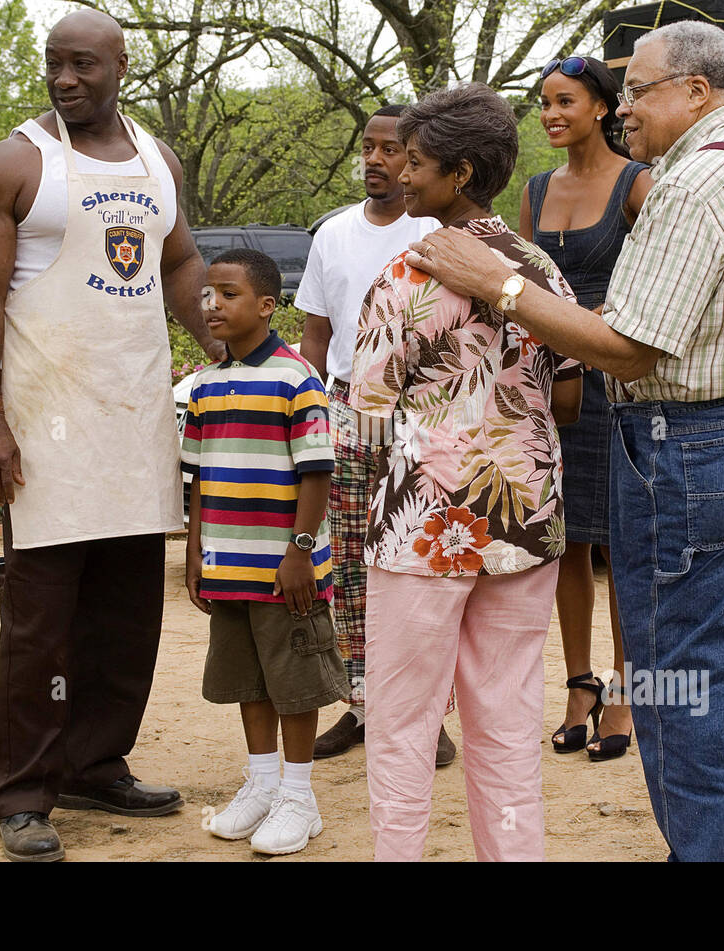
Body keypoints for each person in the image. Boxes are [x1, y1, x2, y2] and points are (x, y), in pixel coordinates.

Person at [405, 21, 724, 861]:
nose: (626, 113)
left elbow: (632, 349)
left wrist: (496, 283)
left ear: (695, 89)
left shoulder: (694, 184)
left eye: (639, 91)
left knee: (681, 689)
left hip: (703, 445)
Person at [0, 9, 222, 862]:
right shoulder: (16, 162)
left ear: (119, 65)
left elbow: (178, 262)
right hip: (43, 422)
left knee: (126, 609)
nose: (65, 80)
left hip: (135, 414)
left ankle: (96, 759)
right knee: (41, 620)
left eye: (81, 65)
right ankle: (25, 791)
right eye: (53, 65)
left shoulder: (156, 160)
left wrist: (221, 345)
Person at [352, 83, 583, 862]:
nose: (400, 174)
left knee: (401, 720)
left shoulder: (405, 277)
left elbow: (369, 413)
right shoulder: (541, 267)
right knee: (510, 718)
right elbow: (574, 393)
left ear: (458, 173)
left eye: (415, 162)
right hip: (526, 518)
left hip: (425, 527)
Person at [295, 105, 453, 767]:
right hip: (349, 415)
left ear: (414, 159)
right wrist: (305, 414)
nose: (376, 160)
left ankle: (427, 717)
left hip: (421, 417)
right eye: (369, 147)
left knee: (420, 566)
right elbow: (315, 336)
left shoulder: (435, 231)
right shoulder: (331, 233)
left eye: (393, 150)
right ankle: (362, 705)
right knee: (355, 572)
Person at [182, 249, 349, 856]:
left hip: (287, 572)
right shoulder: (204, 385)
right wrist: (197, 553)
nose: (213, 305)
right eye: (208, 294)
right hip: (229, 569)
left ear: (266, 305)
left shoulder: (296, 378)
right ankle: (261, 783)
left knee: (295, 682)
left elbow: (317, 473)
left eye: (227, 294)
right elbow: (198, 481)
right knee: (248, 681)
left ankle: (299, 799)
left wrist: (301, 551)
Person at [520, 54, 652, 760]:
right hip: (548, 385)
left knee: (619, 541)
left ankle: (629, 694)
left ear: (602, 107)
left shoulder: (638, 183)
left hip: (615, 383)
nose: (550, 114)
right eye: (544, 103)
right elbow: (522, 281)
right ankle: (580, 685)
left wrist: (592, 319)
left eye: (564, 101)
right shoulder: (536, 191)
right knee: (565, 541)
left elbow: (662, 275)